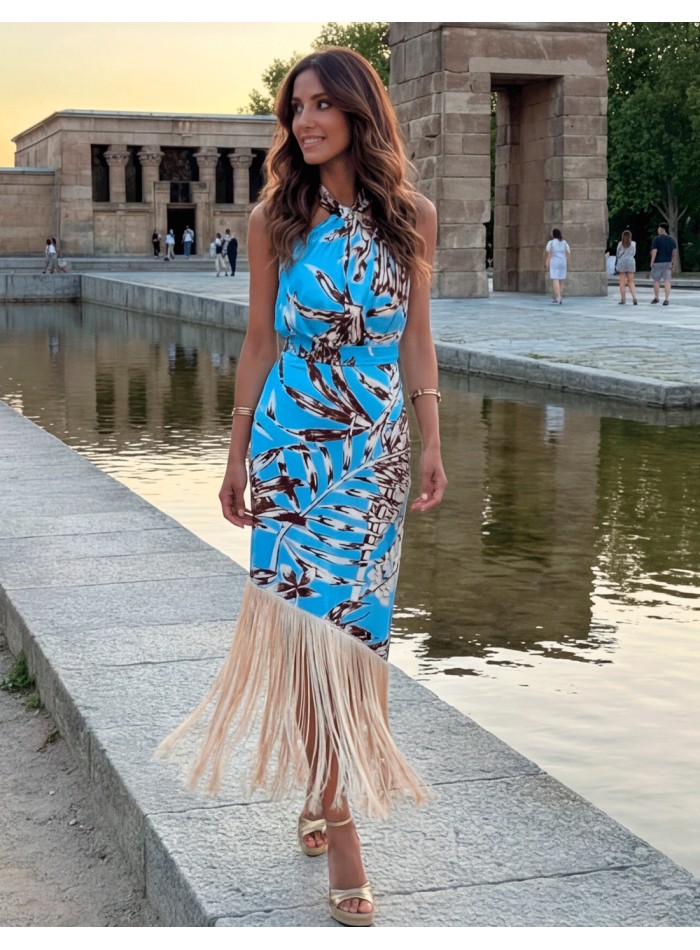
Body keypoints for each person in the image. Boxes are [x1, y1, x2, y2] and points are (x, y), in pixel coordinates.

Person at [158, 46, 447, 927]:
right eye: (294, 109)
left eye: (320, 104)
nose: (304, 122)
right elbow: (256, 343)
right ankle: (345, 827)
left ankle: (326, 788)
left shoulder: (414, 219)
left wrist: (432, 440)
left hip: (376, 450)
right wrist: (237, 452)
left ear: (360, 112)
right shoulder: (274, 221)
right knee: (303, 633)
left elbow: (417, 341)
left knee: (356, 639)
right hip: (293, 446)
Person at [650, 222, 677, 306]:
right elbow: (674, 252)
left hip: (658, 263)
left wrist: (652, 262)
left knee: (656, 281)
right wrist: (673, 263)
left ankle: (657, 297)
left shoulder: (656, 239)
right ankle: (666, 299)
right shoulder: (671, 240)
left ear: (662, 229)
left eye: (659, 228)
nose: (658, 230)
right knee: (667, 281)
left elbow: (654, 251)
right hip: (668, 263)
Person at [545, 228, 571, 304]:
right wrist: (568, 262)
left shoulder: (551, 243)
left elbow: (549, 253)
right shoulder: (564, 242)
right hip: (563, 262)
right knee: (561, 280)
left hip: (555, 262)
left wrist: (546, 263)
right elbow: (568, 253)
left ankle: (558, 297)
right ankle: (560, 297)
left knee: (555, 279)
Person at [615, 230, 638, 305]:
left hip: (622, 261)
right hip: (631, 261)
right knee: (631, 281)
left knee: (622, 282)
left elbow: (617, 254)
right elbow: (634, 253)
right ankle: (634, 297)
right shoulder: (633, 244)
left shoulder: (620, 244)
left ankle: (623, 299)